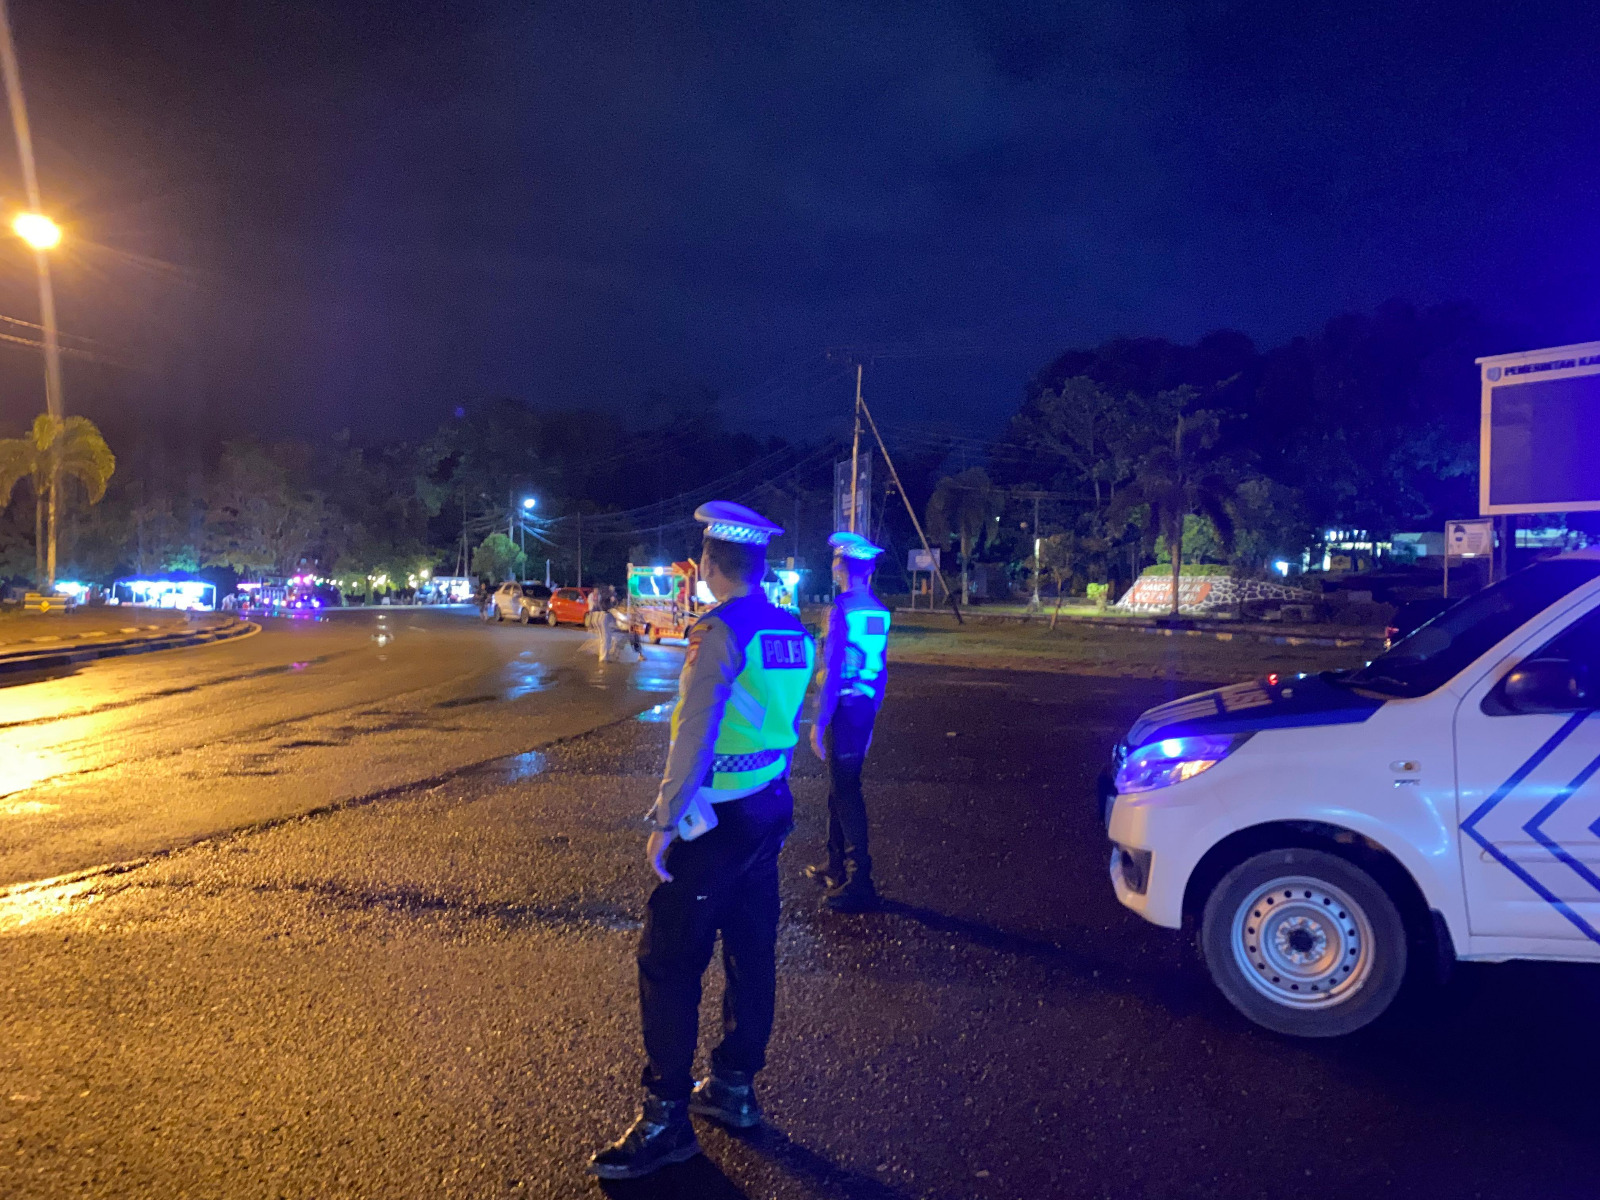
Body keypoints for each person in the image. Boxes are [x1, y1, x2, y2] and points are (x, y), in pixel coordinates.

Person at [589, 501, 815, 1180]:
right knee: (751, 949)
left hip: (714, 817)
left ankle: (664, 1121)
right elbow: (783, 715)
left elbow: (694, 731)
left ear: (713, 566)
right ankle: (734, 1088)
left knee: (669, 961)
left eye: (704, 564)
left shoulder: (718, 630)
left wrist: (664, 821)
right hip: (771, 803)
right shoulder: (793, 630)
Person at [805, 531, 891, 913]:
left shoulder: (841, 609)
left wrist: (818, 721)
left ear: (841, 568)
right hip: (865, 707)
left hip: (843, 707)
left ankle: (860, 880)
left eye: (836, 562)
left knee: (847, 791)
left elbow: (834, 669)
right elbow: (882, 670)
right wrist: (872, 720)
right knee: (839, 787)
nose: (834, 567)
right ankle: (835, 864)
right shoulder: (877, 609)